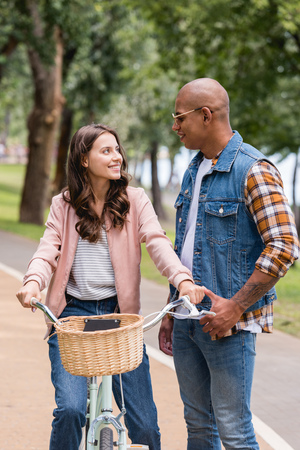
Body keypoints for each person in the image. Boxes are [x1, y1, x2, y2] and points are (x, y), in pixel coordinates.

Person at [16, 123, 205, 450]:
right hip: (72, 317)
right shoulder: (63, 204)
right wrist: (33, 284)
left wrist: (183, 280)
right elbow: (47, 251)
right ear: (84, 160)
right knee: (71, 410)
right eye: (106, 151)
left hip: (121, 317)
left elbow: (158, 243)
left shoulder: (135, 200)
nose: (117, 156)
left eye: (117, 149)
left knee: (144, 424)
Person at [159, 78, 300, 450]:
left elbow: (284, 245)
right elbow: (186, 245)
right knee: (199, 428)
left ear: (205, 115)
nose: (174, 127)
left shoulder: (254, 170)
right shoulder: (194, 168)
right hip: (187, 318)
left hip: (227, 327)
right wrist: (171, 309)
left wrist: (236, 307)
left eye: (179, 118)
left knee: (234, 431)